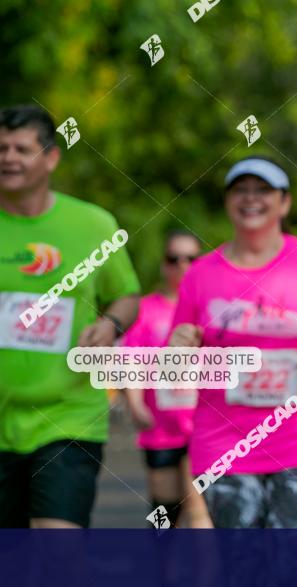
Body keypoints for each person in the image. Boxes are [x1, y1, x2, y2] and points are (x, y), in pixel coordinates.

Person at [168, 156, 297, 528]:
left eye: (263, 190)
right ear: (228, 202)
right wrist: (178, 346)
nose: (251, 199)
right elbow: (179, 353)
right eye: (240, 190)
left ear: (285, 202)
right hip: (224, 443)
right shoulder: (200, 274)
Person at [0, 104, 140, 528]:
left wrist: (110, 324)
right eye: (1, 148)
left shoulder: (93, 225)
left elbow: (127, 295)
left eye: (21, 149)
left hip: (69, 417)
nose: (8, 158)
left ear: (51, 158)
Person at [121, 229, 212, 528]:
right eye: (174, 258)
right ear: (163, 264)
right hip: (161, 426)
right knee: (165, 512)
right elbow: (132, 360)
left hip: (205, 425)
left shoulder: (212, 307)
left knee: (199, 508)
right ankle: (165, 572)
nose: (182, 265)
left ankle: (206, 576)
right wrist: (135, 404)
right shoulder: (146, 310)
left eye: (191, 258)